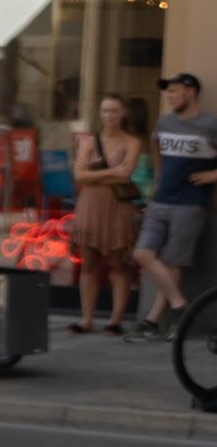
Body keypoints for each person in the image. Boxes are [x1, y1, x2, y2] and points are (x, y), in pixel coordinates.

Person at [136, 70, 217, 324]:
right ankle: (178, 301)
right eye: (167, 92)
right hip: (161, 199)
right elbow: (156, 151)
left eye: (174, 91)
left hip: (191, 203)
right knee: (142, 254)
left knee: (173, 262)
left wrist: (214, 174)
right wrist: (155, 186)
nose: (169, 97)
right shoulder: (164, 123)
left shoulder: (210, 125)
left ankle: (153, 319)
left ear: (190, 92)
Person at [66, 91, 144, 335]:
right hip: (90, 205)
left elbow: (126, 173)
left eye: (113, 110)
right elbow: (79, 175)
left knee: (119, 264)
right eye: (104, 110)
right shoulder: (89, 142)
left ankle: (115, 320)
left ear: (123, 113)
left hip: (117, 205)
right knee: (89, 264)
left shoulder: (132, 142)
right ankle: (86, 319)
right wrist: (109, 174)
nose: (108, 115)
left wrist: (94, 175)